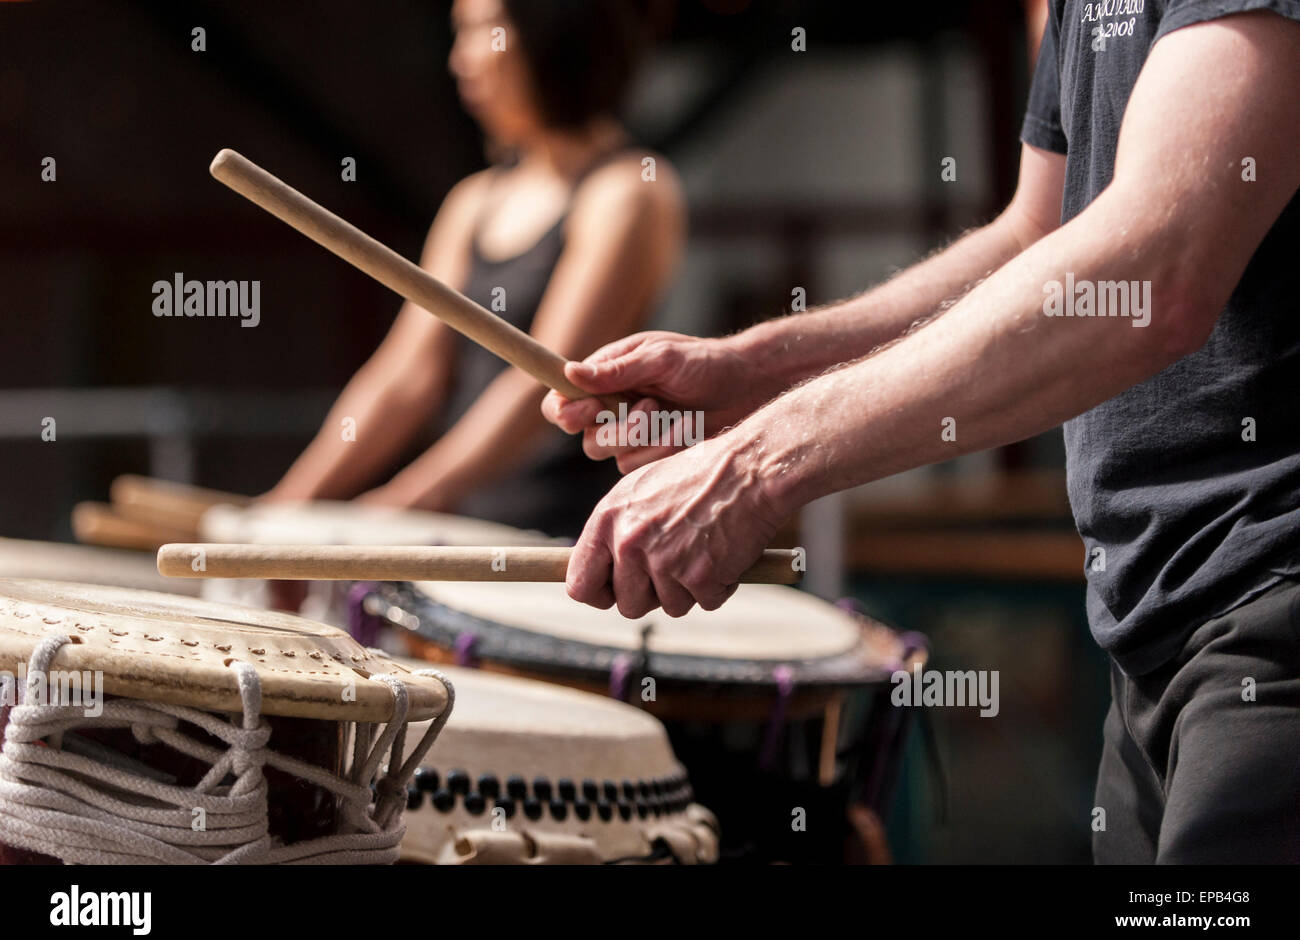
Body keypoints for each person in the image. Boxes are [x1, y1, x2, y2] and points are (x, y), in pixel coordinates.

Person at [543, 5, 1300, 863]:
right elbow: (1038, 237)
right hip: (1150, 634)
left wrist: (755, 465)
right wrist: (760, 371)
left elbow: (1155, 265)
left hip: (1275, 600)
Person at [265, 0, 684, 538]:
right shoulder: (475, 200)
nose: (459, 60)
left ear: (550, 34)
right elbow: (406, 375)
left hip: (570, 545)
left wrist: (399, 505)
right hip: (469, 534)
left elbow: (542, 383)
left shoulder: (630, 191)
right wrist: (287, 508)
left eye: (481, 32)